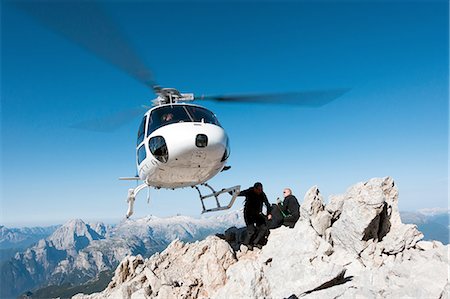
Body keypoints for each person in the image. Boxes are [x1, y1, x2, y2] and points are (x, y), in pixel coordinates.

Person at [237, 182, 272, 249]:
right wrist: (230, 192)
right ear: (254, 189)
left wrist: (269, 213)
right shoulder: (249, 191)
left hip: (257, 214)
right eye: (258, 190)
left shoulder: (262, 194)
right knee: (251, 230)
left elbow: (267, 204)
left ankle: (255, 242)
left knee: (263, 228)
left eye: (261, 190)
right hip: (248, 214)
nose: (260, 191)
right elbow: (238, 194)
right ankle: (246, 243)